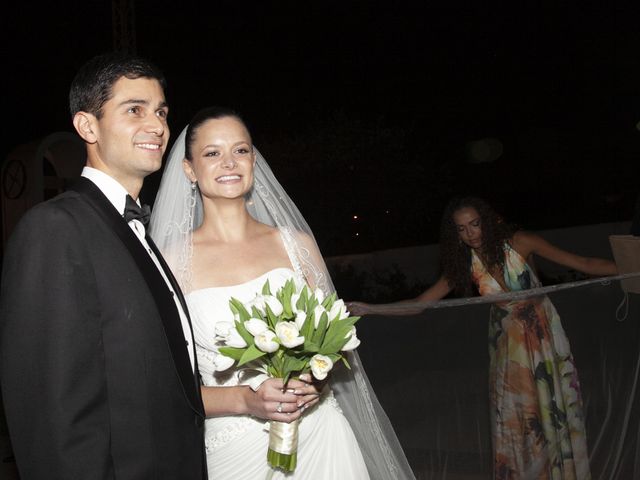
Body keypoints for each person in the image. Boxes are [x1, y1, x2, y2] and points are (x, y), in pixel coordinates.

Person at [149, 106, 415, 479]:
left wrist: (316, 383)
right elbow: (163, 384)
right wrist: (246, 399)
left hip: (320, 437)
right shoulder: (169, 262)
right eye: (212, 153)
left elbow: (334, 340)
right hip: (233, 449)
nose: (229, 162)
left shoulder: (297, 245)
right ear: (190, 169)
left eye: (240, 150)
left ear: (254, 160)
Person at [0, 52, 206, 479]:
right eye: (135, 110)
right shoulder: (56, 227)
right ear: (87, 126)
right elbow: (54, 414)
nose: (158, 126)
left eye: (161, 112)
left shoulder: (134, 229)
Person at [350, 196, 618, 480]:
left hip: (543, 337)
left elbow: (583, 262)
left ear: (487, 221)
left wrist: (629, 266)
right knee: (519, 419)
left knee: (551, 412)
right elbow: (420, 303)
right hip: (509, 346)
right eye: (462, 228)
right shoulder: (466, 263)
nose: (470, 234)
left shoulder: (521, 242)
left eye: (475, 224)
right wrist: (370, 308)